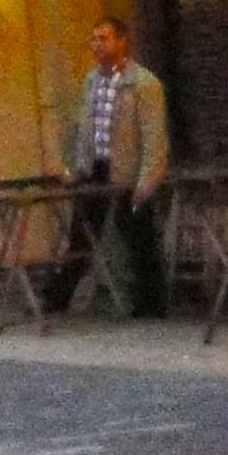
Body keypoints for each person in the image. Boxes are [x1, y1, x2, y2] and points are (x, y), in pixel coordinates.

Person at [54, 16, 171, 315]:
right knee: (82, 234)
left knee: (138, 236)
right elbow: (86, 127)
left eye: (104, 38)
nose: (97, 46)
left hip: (127, 170)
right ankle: (57, 296)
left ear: (122, 41)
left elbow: (153, 135)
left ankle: (152, 304)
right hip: (97, 168)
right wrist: (78, 167)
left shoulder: (143, 84)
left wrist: (147, 179)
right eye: (94, 39)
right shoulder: (92, 81)